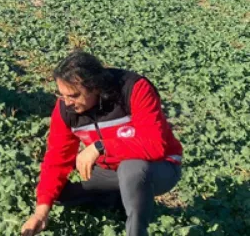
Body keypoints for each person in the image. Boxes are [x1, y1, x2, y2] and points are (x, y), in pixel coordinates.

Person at [21, 51, 182, 236]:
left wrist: (101, 146)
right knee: (55, 194)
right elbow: (57, 158)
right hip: (110, 173)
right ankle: (120, 200)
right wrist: (41, 213)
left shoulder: (133, 89)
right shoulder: (65, 109)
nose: (67, 103)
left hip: (159, 167)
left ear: (95, 87)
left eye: (73, 95)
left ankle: (136, 230)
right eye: (61, 95)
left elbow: (155, 145)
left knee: (131, 169)